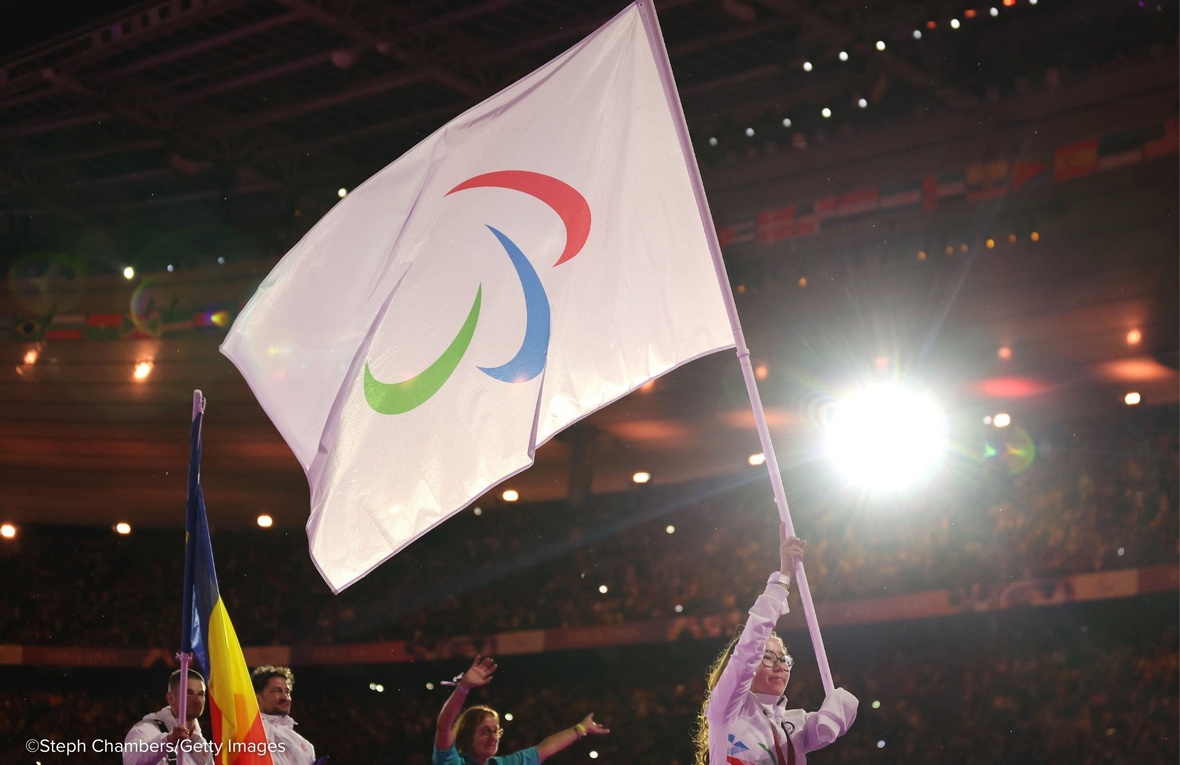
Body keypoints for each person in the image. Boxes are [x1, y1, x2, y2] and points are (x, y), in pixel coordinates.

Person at [694, 526, 858, 765]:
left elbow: (828, 726)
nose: (780, 666)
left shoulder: (792, 726)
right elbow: (749, 649)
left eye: (784, 659)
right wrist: (782, 579)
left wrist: (840, 709)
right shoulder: (727, 708)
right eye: (768, 657)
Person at [434, 655, 609, 765]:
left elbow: (546, 748)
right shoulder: (451, 762)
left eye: (496, 731)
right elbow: (444, 726)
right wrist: (463, 687)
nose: (493, 737)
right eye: (485, 731)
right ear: (467, 735)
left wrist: (582, 728)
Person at [123, 668, 214, 765]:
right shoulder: (147, 729)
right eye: (188, 693)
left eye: (201, 694)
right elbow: (132, 760)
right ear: (170, 698)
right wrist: (168, 741)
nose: (196, 699)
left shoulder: (202, 745)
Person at [251, 665, 317, 765]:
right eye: (277, 690)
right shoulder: (249, 733)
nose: (285, 697)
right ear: (257, 698)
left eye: (287, 692)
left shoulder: (305, 745)